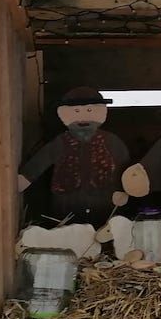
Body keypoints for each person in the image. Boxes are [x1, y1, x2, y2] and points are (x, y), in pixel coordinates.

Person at [18, 87, 130, 224]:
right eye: (76, 111)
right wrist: (25, 178)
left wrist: (125, 190)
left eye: (89, 110)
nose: (83, 118)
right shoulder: (60, 143)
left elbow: (127, 169)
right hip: (66, 209)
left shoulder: (113, 143)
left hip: (106, 208)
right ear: (65, 115)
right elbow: (41, 161)